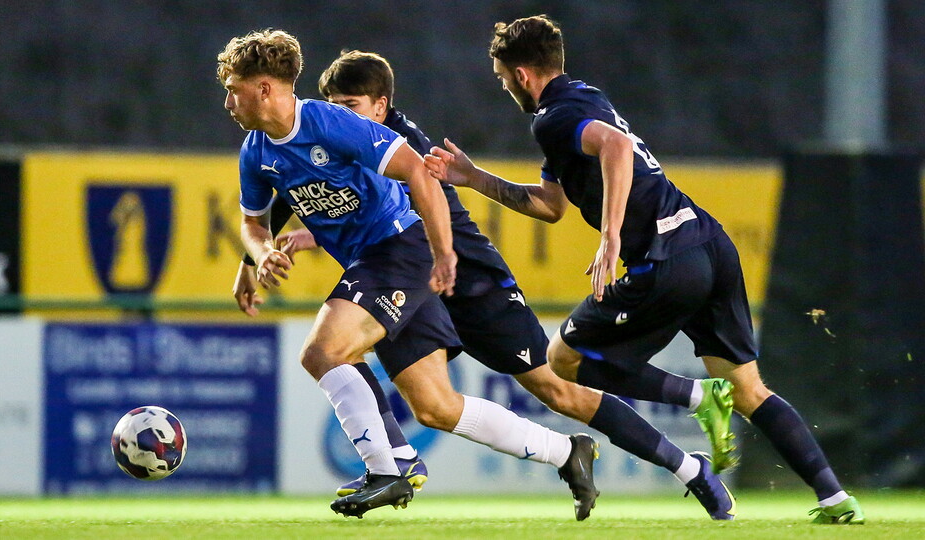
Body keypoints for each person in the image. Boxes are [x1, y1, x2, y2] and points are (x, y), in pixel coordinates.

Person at [235, 49, 737, 521]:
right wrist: (257, 256)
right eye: (335, 106)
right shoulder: (321, 139)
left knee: (556, 388)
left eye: (351, 105)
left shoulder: (397, 139)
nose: (342, 113)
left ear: (381, 106)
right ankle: (550, 453)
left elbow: (400, 197)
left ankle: (687, 465)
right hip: (411, 273)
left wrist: (458, 215)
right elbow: (295, 182)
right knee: (431, 407)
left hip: (467, 277)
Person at [424, 15, 864, 525]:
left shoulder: (553, 117)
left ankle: (700, 395)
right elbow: (550, 205)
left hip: (665, 258)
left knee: (562, 357)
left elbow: (613, 147)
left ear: (522, 74)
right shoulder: (584, 98)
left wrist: (611, 234)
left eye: (502, 77)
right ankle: (835, 498)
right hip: (710, 242)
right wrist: (473, 177)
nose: (503, 87)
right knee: (751, 391)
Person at [217, 29, 599, 520]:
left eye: (234, 88)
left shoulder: (331, 123)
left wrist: (444, 253)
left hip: (400, 246)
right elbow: (252, 221)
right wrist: (260, 252)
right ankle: (567, 452)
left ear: (265, 88)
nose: (228, 100)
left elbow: (418, 171)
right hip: (371, 262)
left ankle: (389, 467)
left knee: (322, 351)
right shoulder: (255, 151)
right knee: (435, 406)